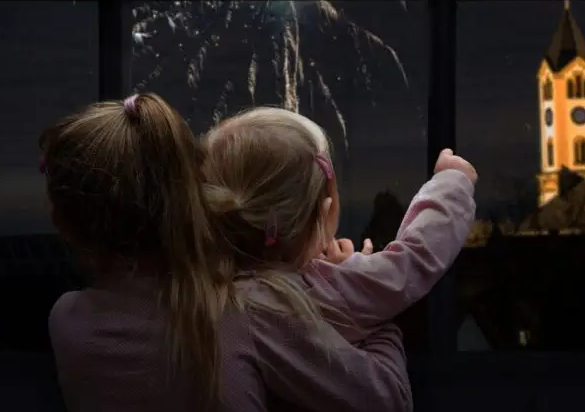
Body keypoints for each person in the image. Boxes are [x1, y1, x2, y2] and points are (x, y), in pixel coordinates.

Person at [41, 94, 413, 412]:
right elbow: (389, 399)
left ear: (64, 222)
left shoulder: (67, 320)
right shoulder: (244, 309)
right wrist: (372, 301)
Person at [202, 106, 477, 345]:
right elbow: (416, 257)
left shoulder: (204, 293)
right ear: (325, 211)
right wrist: (452, 183)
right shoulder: (331, 286)